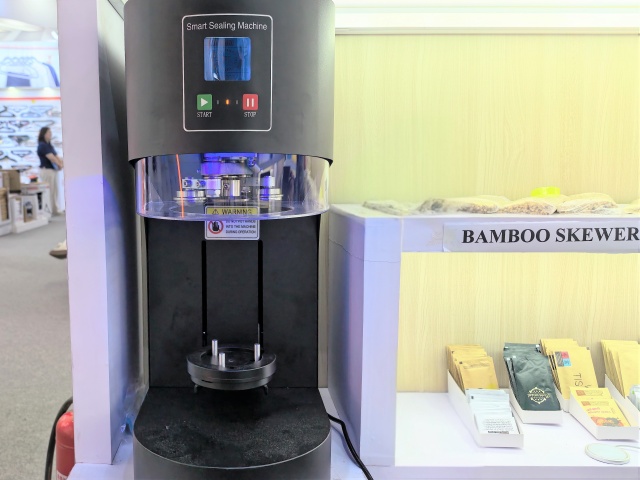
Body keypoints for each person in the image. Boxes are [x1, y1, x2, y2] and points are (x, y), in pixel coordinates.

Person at [37, 126, 63, 215]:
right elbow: (51, 157)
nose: (50, 134)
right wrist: (59, 164)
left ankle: (55, 209)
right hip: (47, 170)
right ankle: (49, 210)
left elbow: (56, 155)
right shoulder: (42, 145)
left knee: (54, 190)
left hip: (52, 170)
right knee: (50, 191)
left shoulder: (49, 145)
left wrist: (61, 163)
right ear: (44, 134)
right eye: (48, 132)